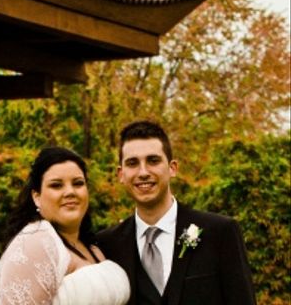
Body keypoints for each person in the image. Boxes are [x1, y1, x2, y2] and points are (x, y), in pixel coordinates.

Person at [96, 120, 256, 305]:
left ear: (172, 168)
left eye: (153, 161)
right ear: (121, 174)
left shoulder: (220, 232)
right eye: (132, 163)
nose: (143, 172)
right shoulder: (107, 245)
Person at [0, 147, 130, 305]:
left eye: (78, 183)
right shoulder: (34, 244)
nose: (70, 192)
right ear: (37, 197)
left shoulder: (91, 247)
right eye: (56, 185)